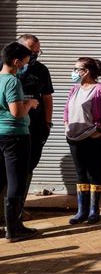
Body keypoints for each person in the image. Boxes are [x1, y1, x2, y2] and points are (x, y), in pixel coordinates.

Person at [64, 57, 101, 225]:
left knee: (94, 173)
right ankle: (82, 211)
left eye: (76, 69)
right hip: (74, 139)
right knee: (80, 173)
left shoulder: (100, 89)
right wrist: (67, 126)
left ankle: (94, 210)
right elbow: (67, 110)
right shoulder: (74, 89)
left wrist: (100, 130)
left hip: (94, 140)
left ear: (86, 71)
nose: (74, 72)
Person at [0, 42, 40, 242]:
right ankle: (14, 229)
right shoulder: (11, 81)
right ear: (16, 62)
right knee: (16, 180)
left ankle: (4, 225)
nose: (25, 66)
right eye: (24, 62)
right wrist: (30, 103)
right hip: (15, 135)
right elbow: (17, 113)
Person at [16, 34, 54, 219]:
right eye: (31, 52)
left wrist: (47, 123)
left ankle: (18, 209)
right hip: (10, 130)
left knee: (28, 168)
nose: (34, 56)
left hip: (35, 128)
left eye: (37, 52)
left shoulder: (41, 70)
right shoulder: (5, 69)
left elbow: (47, 97)